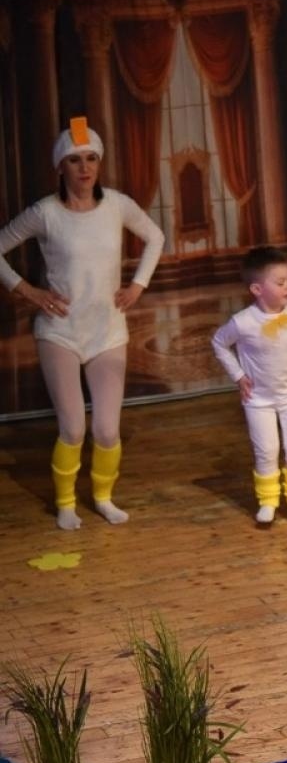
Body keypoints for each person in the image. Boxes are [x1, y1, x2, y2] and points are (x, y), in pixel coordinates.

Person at [0, 118, 164, 530]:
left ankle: (104, 497)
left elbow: (155, 237)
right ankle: (66, 502)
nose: (85, 167)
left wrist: (138, 285)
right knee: (73, 427)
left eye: (91, 158)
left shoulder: (118, 205)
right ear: (60, 167)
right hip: (60, 332)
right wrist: (29, 291)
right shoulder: (45, 213)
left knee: (107, 430)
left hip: (108, 331)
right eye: (74, 160)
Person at [211, 246, 287, 524]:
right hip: (258, 398)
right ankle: (268, 500)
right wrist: (237, 375)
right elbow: (220, 343)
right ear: (257, 289)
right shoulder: (244, 321)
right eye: (280, 282)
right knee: (267, 449)